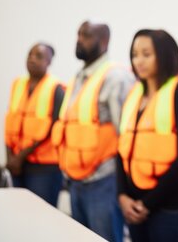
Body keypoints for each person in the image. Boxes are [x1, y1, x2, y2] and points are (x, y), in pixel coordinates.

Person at [51, 20, 134, 242]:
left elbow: (126, 135)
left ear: (104, 41)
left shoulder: (116, 78)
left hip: (104, 181)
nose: (79, 40)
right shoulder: (78, 77)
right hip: (76, 181)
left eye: (86, 35)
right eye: (78, 34)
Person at [117, 29, 178, 242]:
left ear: (164, 55)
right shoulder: (135, 94)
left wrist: (148, 204)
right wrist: (122, 197)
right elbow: (122, 148)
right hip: (133, 204)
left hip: (169, 206)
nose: (139, 60)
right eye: (135, 54)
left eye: (146, 54)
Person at [5, 43, 65, 206]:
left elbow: (53, 128)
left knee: (41, 216)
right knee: (16, 212)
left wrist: (20, 157)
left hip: (44, 169)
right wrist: (11, 157)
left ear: (49, 61)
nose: (32, 59)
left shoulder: (56, 88)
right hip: (17, 165)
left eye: (38, 56)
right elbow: (10, 122)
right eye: (30, 55)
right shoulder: (18, 84)